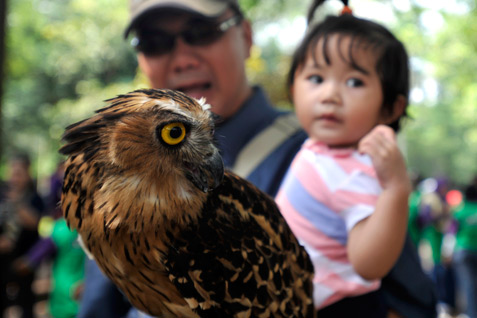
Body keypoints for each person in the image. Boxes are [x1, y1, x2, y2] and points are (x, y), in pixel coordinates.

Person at [78, 0, 308, 317]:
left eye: (202, 32)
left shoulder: (321, 153)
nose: (182, 59)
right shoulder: (113, 174)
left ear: (246, 36)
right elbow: (99, 307)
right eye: (154, 43)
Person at [276, 1, 435, 317]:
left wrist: (395, 190)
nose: (329, 95)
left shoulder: (354, 170)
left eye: (354, 82)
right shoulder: (321, 150)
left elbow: (368, 264)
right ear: (294, 87)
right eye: (316, 78)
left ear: (389, 108)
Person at [0, 153, 44, 318]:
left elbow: (34, 222)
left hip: (25, 258)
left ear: (27, 173)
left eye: (18, 173)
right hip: (3, 258)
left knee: (25, 301)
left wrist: (17, 202)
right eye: (12, 172)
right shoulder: (2, 194)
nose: (14, 177)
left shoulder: (34, 197)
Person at [451, 182, 477, 318]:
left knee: (468, 284)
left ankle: (471, 314)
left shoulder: (460, 212)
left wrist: (447, 252)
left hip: (463, 252)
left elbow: (451, 232)